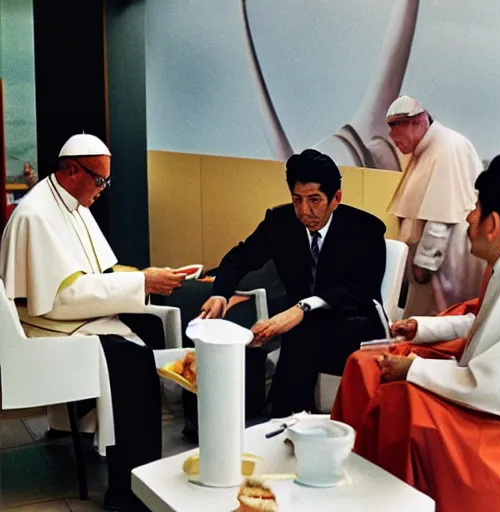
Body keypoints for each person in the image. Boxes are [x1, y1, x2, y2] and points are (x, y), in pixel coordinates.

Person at [0, 134, 187, 511]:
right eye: (99, 180)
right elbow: (55, 300)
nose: (103, 189)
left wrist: (145, 276)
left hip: (65, 316)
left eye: (106, 180)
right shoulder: (36, 214)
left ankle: (109, 438)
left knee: (147, 329)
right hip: (43, 327)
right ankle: (126, 493)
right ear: (72, 170)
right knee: (131, 363)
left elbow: (97, 270)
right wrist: (141, 282)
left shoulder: (73, 204)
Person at [330, 154, 500, 512]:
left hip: (493, 412)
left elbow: (496, 382)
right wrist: (422, 328)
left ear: (492, 223)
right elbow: (482, 323)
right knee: (365, 363)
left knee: (400, 399)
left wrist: (413, 369)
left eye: (475, 208)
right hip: (471, 373)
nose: (468, 216)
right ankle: (345, 460)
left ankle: (387, 495)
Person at [198, 149, 387, 418]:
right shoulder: (281, 222)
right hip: (301, 326)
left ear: (336, 199)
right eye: (297, 200)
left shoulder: (366, 229)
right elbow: (241, 257)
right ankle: (281, 418)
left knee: (302, 335)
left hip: (353, 323)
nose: (304, 211)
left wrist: (301, 309)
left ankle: (286, 418)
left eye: (314, 200)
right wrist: (220, 294)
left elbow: (361, 290)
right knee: (257, 336)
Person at [386, 95, 485, 316]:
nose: (391, 136)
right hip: (435, 262)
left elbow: (441, 216)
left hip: (444, 260)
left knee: (439, 319)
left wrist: (424, 264)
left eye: (395, 127)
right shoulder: (427, 148)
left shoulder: (447, 146)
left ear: (417, 122)